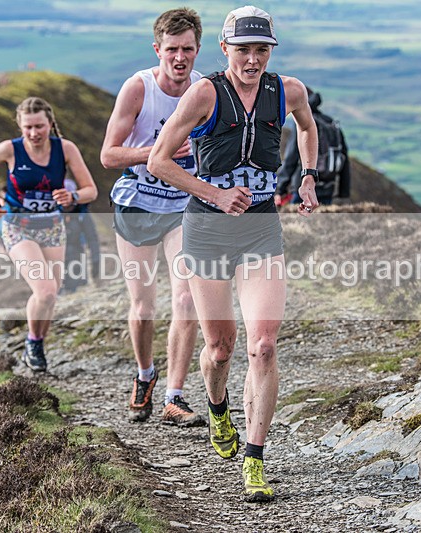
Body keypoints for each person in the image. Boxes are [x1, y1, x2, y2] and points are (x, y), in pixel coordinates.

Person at [148, 6, 319, 502]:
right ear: (225, 49)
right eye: (243, 49)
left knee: (263, 345)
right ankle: (218, 407)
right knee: (220, 348)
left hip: (260, 228)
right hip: (206, 230)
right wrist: (215, 194)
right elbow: (159, 160)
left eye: (262, 50)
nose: (252, 59)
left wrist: (308, 176)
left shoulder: (288, 91)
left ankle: (255, 458)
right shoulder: (205, 94)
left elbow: (308, 128)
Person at [100, 8, 204, 427]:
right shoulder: (138, 88)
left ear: (198, 49)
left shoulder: (206, 90)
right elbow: (109, 155)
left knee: (187, 298)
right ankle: (145, 373)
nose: (180, 58)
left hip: (184, 208)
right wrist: (158, 152)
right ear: (157, 49)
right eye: (172, 49)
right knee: (144, 306)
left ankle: (173, 396)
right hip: (138, 203)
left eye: (188, 49)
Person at [0, 96, 98, 372]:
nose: (33, 133)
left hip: (52, 226)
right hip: (17, 226)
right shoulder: (10, 149)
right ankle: (32, 342)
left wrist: (73, 196)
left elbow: (91, 190)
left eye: (39, 126)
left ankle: (38, 343)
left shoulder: (65, 149)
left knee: (51, 295)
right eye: (27, 127)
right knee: (44, 290)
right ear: (20, 126)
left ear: (50, 124)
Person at [276, 87, 351, 206]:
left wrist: (280, 189)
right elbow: (344, 157)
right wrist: (344, 191)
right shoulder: (331, 123)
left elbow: (291, 157)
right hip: (327, 188)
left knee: (298, 217)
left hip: (302, 187)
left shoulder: (302, 122)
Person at [61, 177, 101, 293]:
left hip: (76, 252)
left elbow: (92, 238)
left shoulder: (82, 213)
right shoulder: (53, 212)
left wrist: (95, 260)